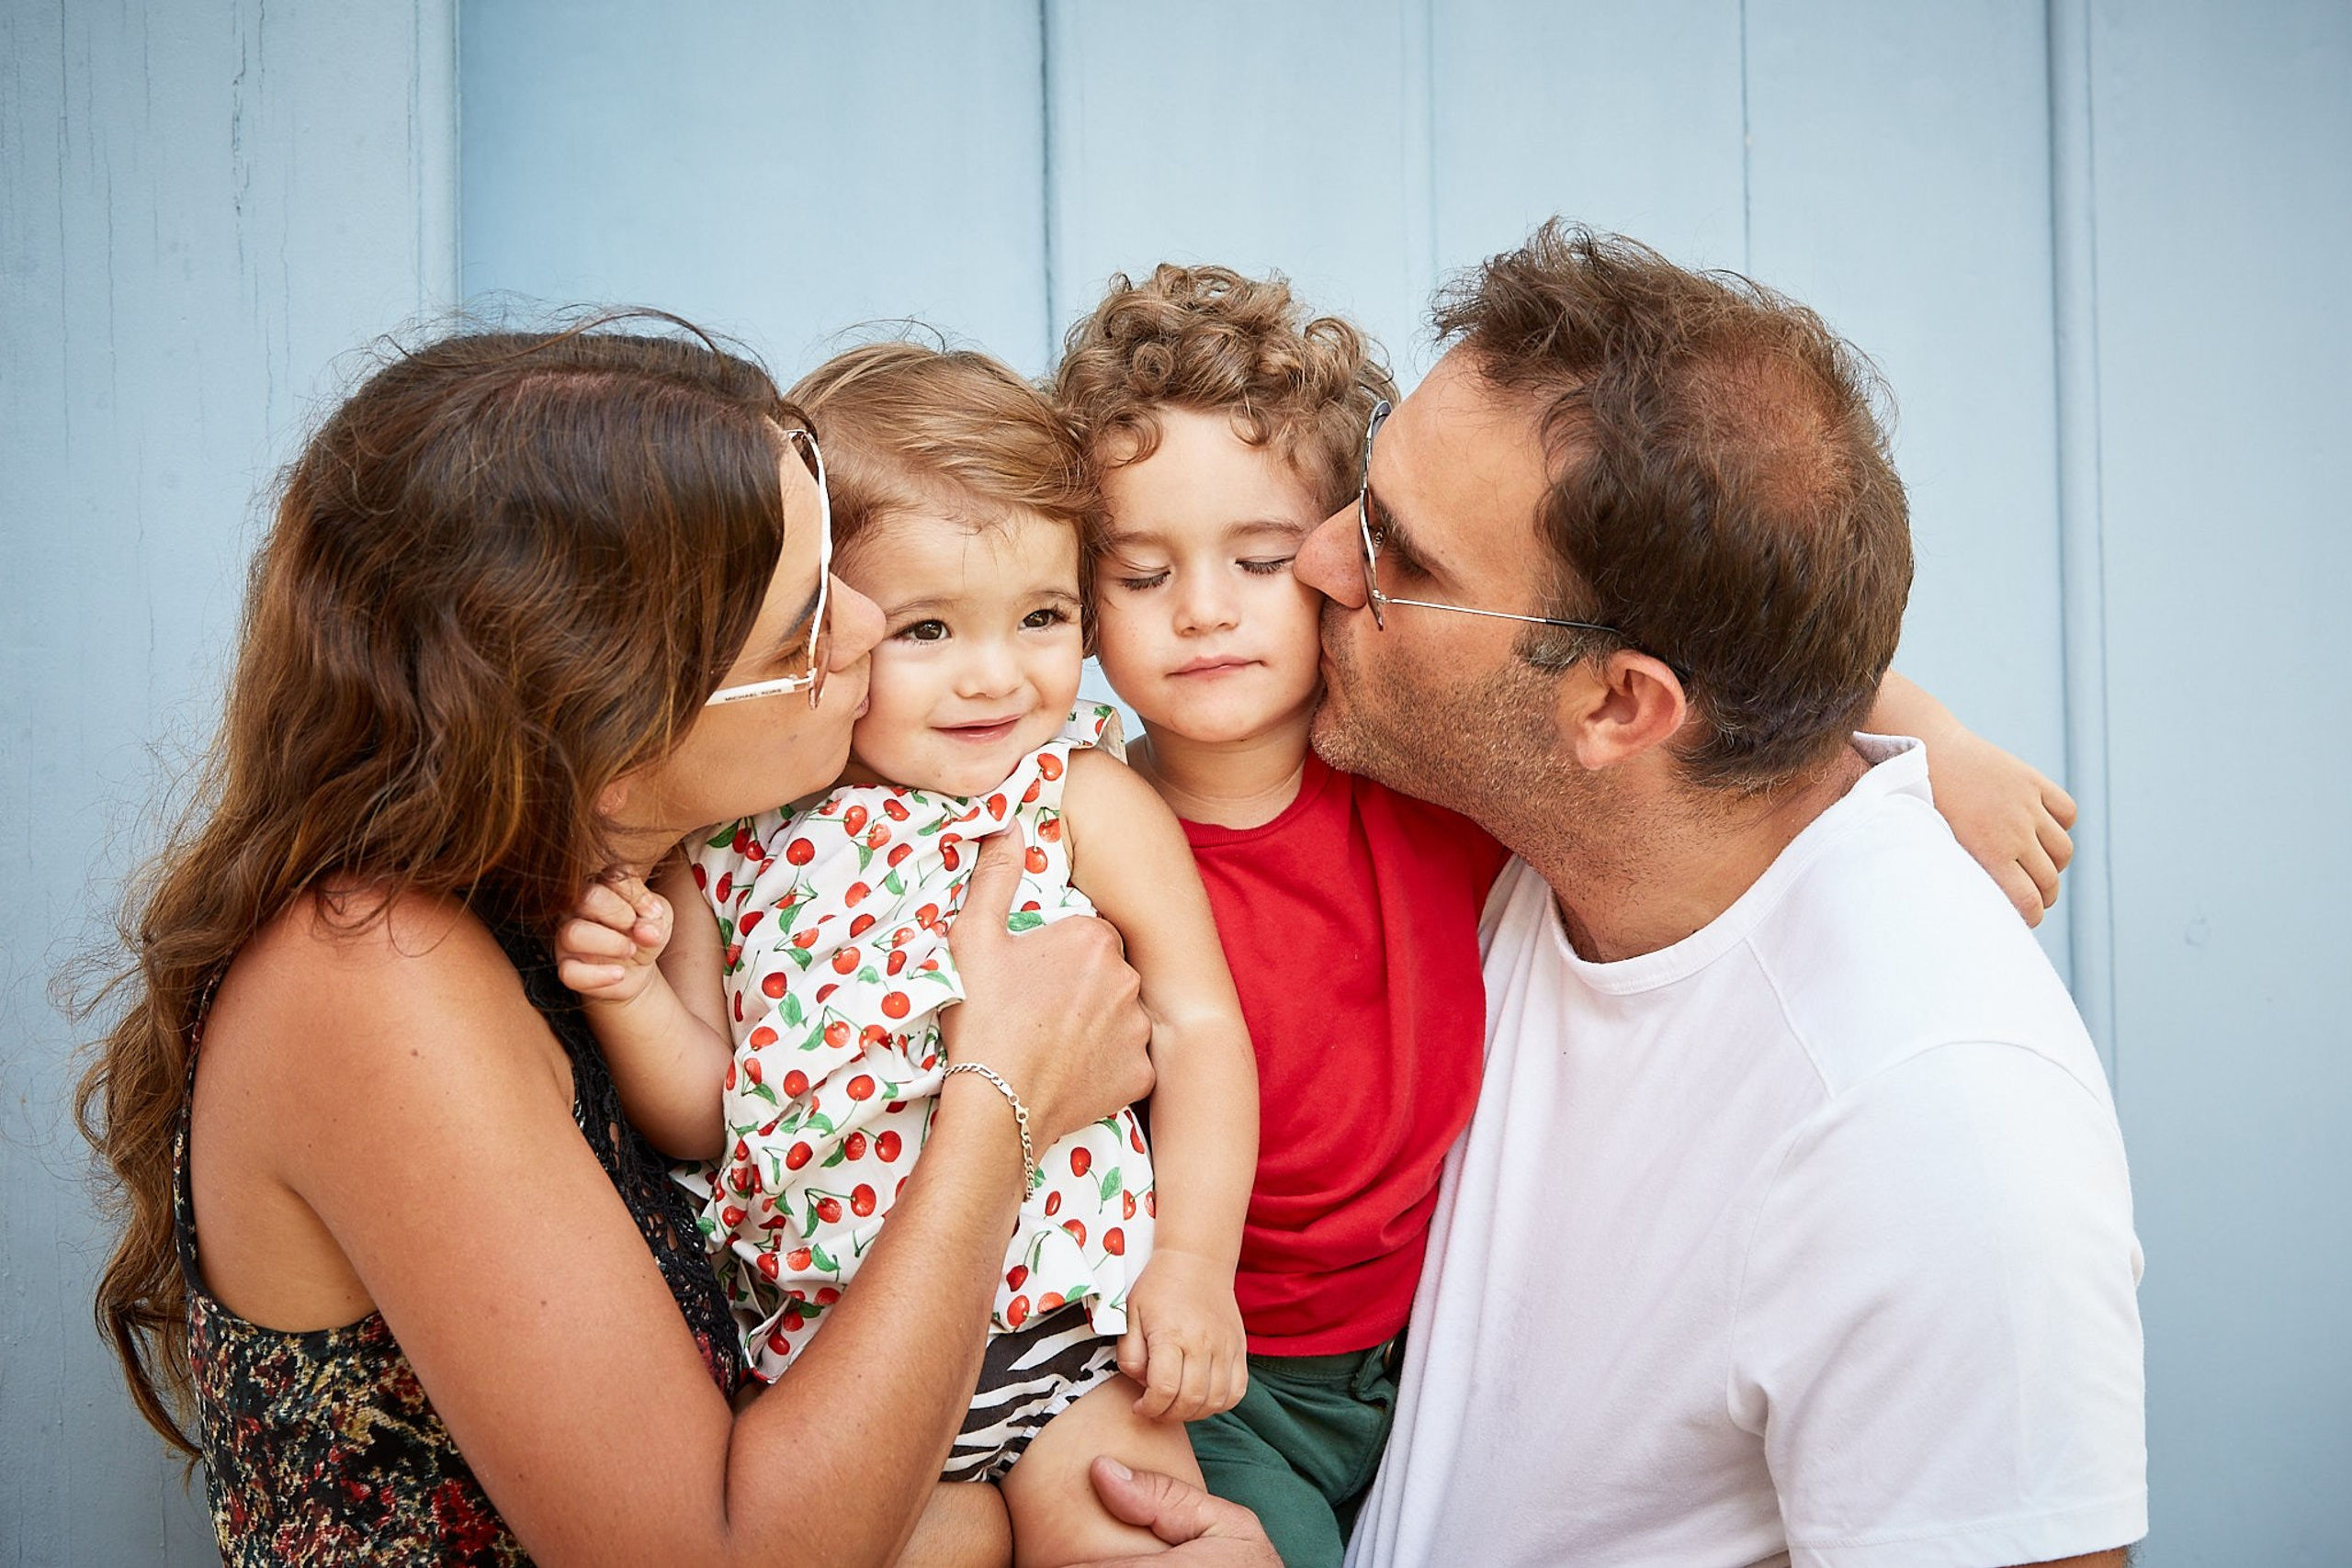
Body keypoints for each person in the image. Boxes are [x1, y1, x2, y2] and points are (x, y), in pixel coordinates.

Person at [1050, 251, 2124, 1568]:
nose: (1319, 563)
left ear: (1619, 708)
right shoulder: (1514, 803)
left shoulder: (1931, 1127)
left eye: (1399, 556)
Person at [74, 320, 1155, 1567]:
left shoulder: (651, 900)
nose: (867, 626)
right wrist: (1002, 1100)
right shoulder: (374, 979)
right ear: (613, 713)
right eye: (806, 620)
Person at [556, 341, 1257, 1563]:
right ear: (832, 628)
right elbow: (704, 1116)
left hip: (1068, 1331)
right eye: (927, 628)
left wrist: (1195, 1266)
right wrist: (625, 990)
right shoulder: (732, 842)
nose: (997, 676)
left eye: (1042, 617)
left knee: (1137, 1549)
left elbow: (1197, 1028)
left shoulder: (1079, 797)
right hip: (829, 1359)